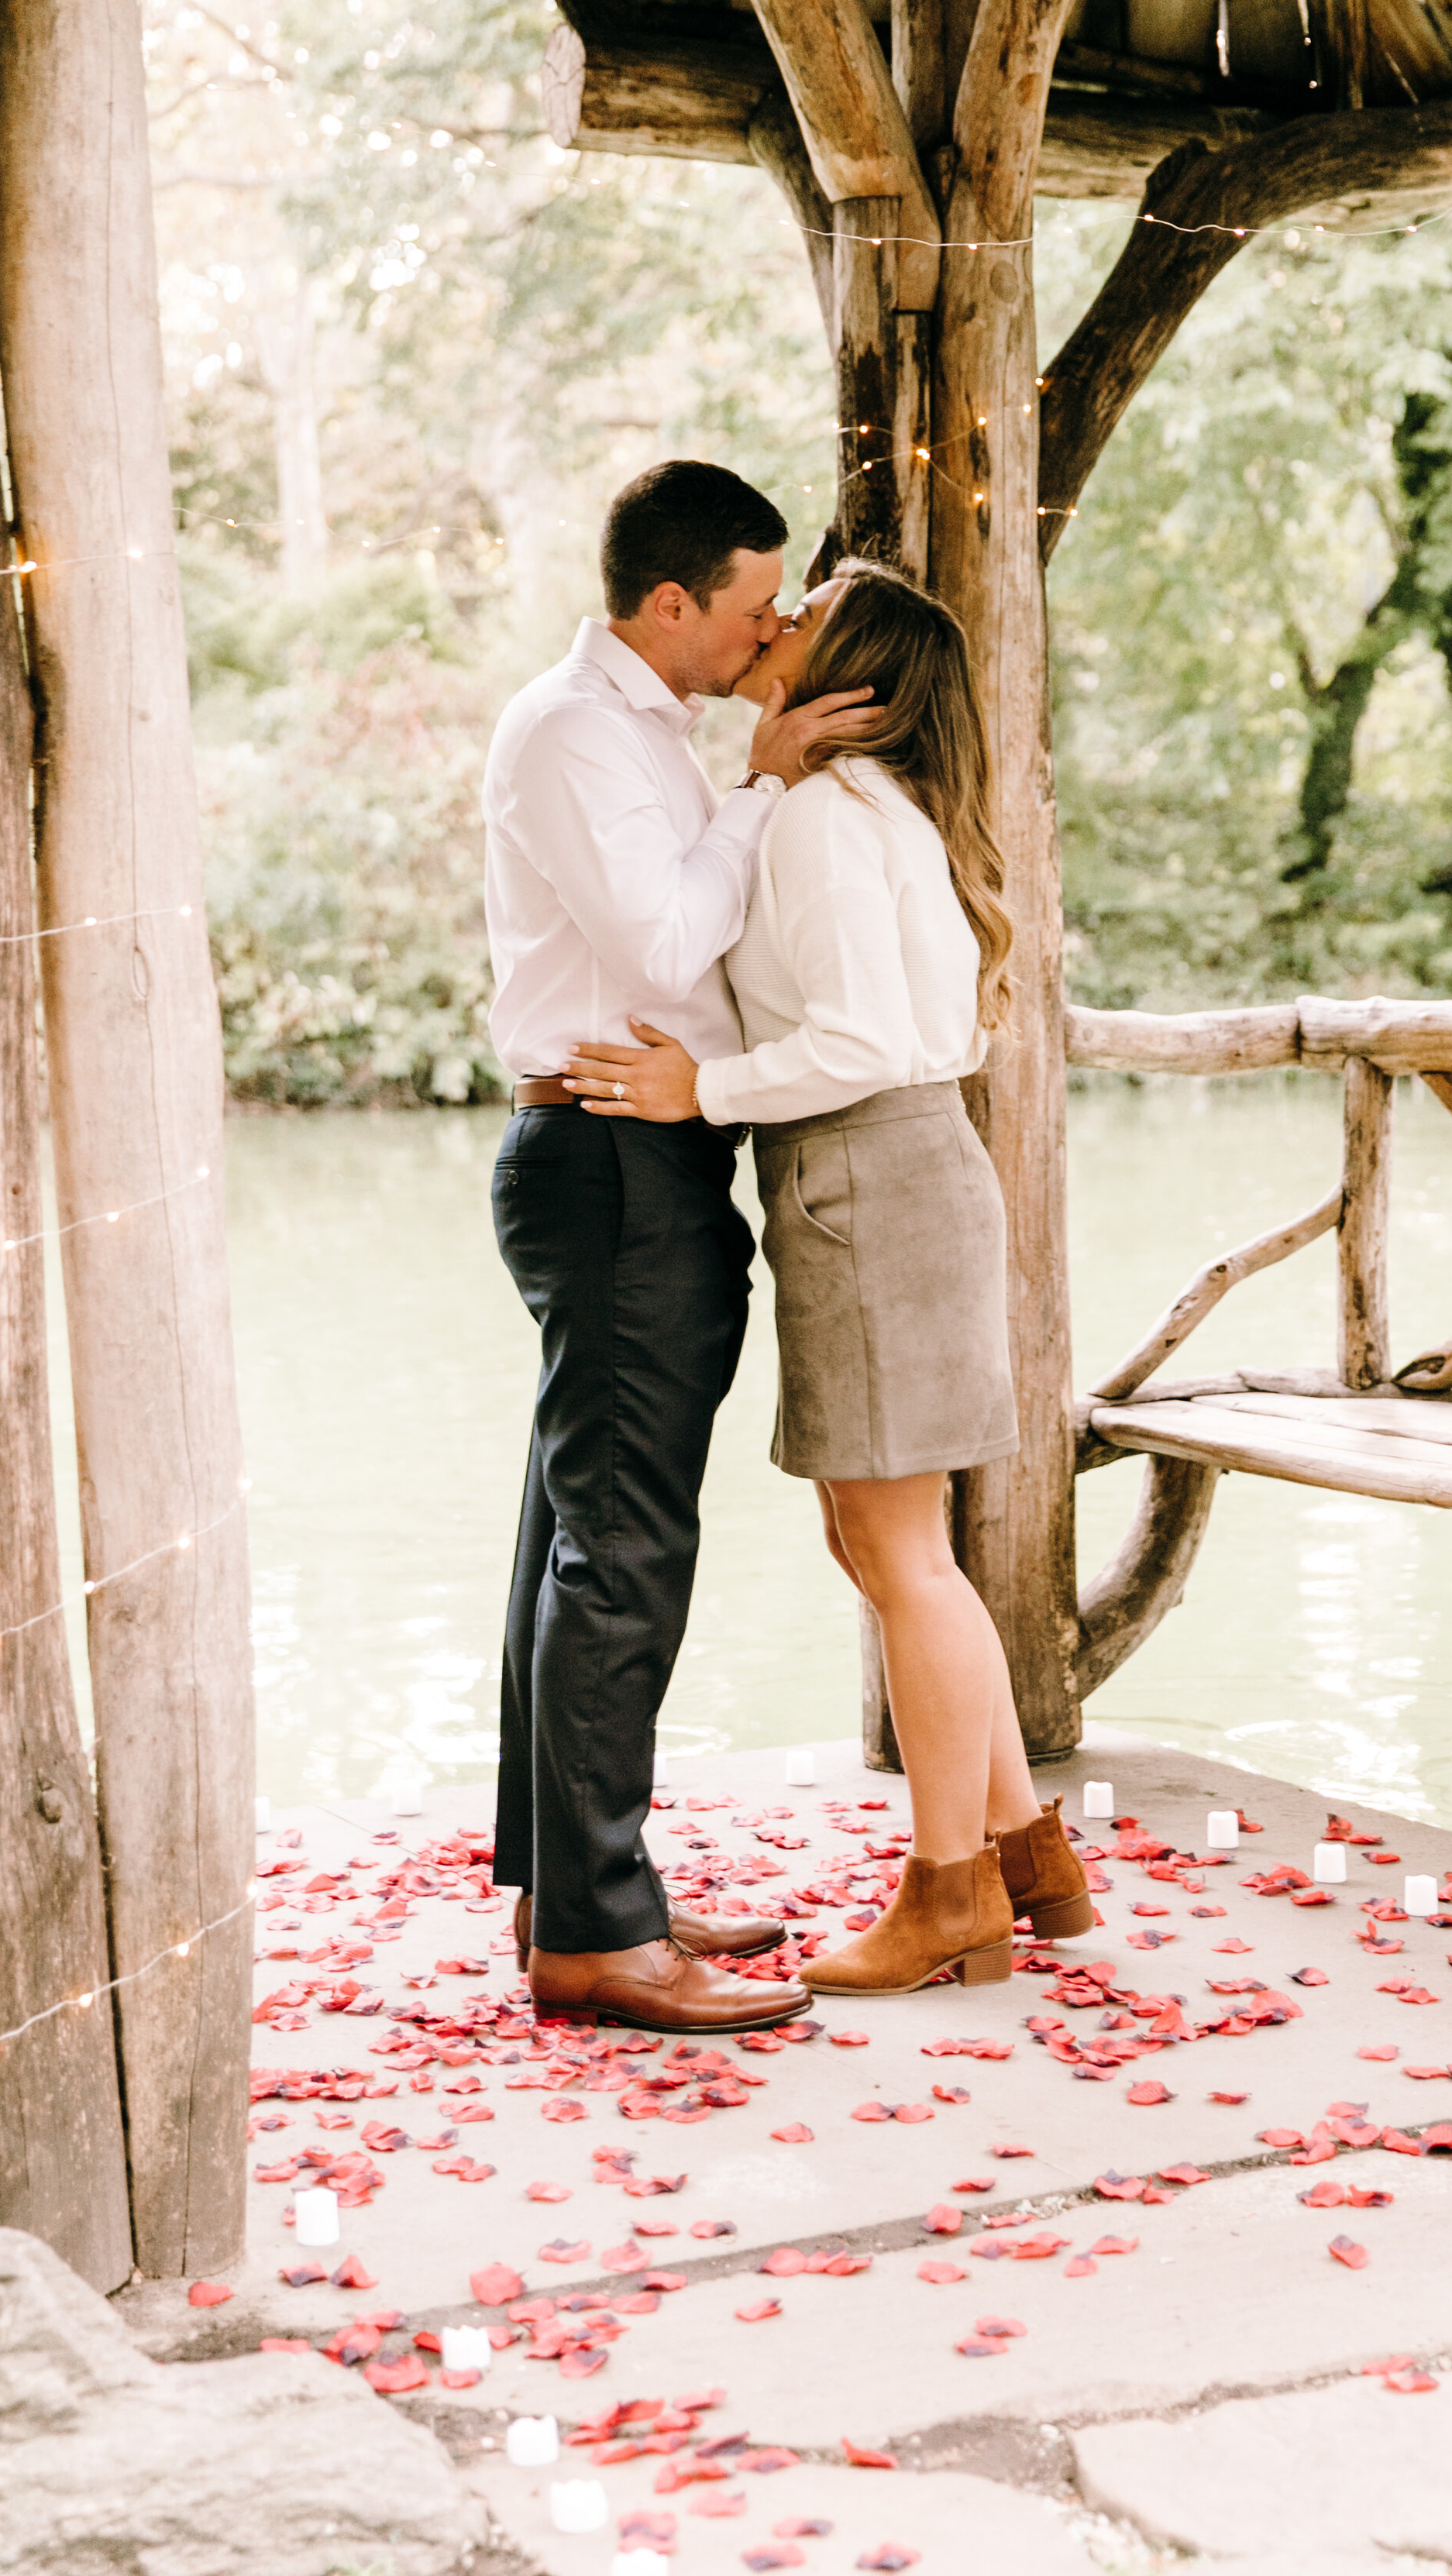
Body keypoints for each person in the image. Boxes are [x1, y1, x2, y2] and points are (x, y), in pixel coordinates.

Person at [566, 561, 1094, 1994]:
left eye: (799, 616)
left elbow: (857, 1041)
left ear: (845, 671)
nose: (774, 618)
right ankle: (1021, 1848)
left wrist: (702, 1091)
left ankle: (948, 1897)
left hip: (868, 1173)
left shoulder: (818, 822)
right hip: (884, 1178)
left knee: (901, 1552)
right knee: (881, 1545)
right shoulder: (873, 811)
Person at [482, 461, 877, 2034]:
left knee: (576, 1531)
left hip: (635, 1150)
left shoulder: (639, 736)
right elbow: (657, 939)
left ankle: (570, 1884)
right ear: (667, 605)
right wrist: (771, 782)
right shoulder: (577, 734)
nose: (768, 625)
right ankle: (593, 1932)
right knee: (620, 1542)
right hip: (611, 1159)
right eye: (749, 601)